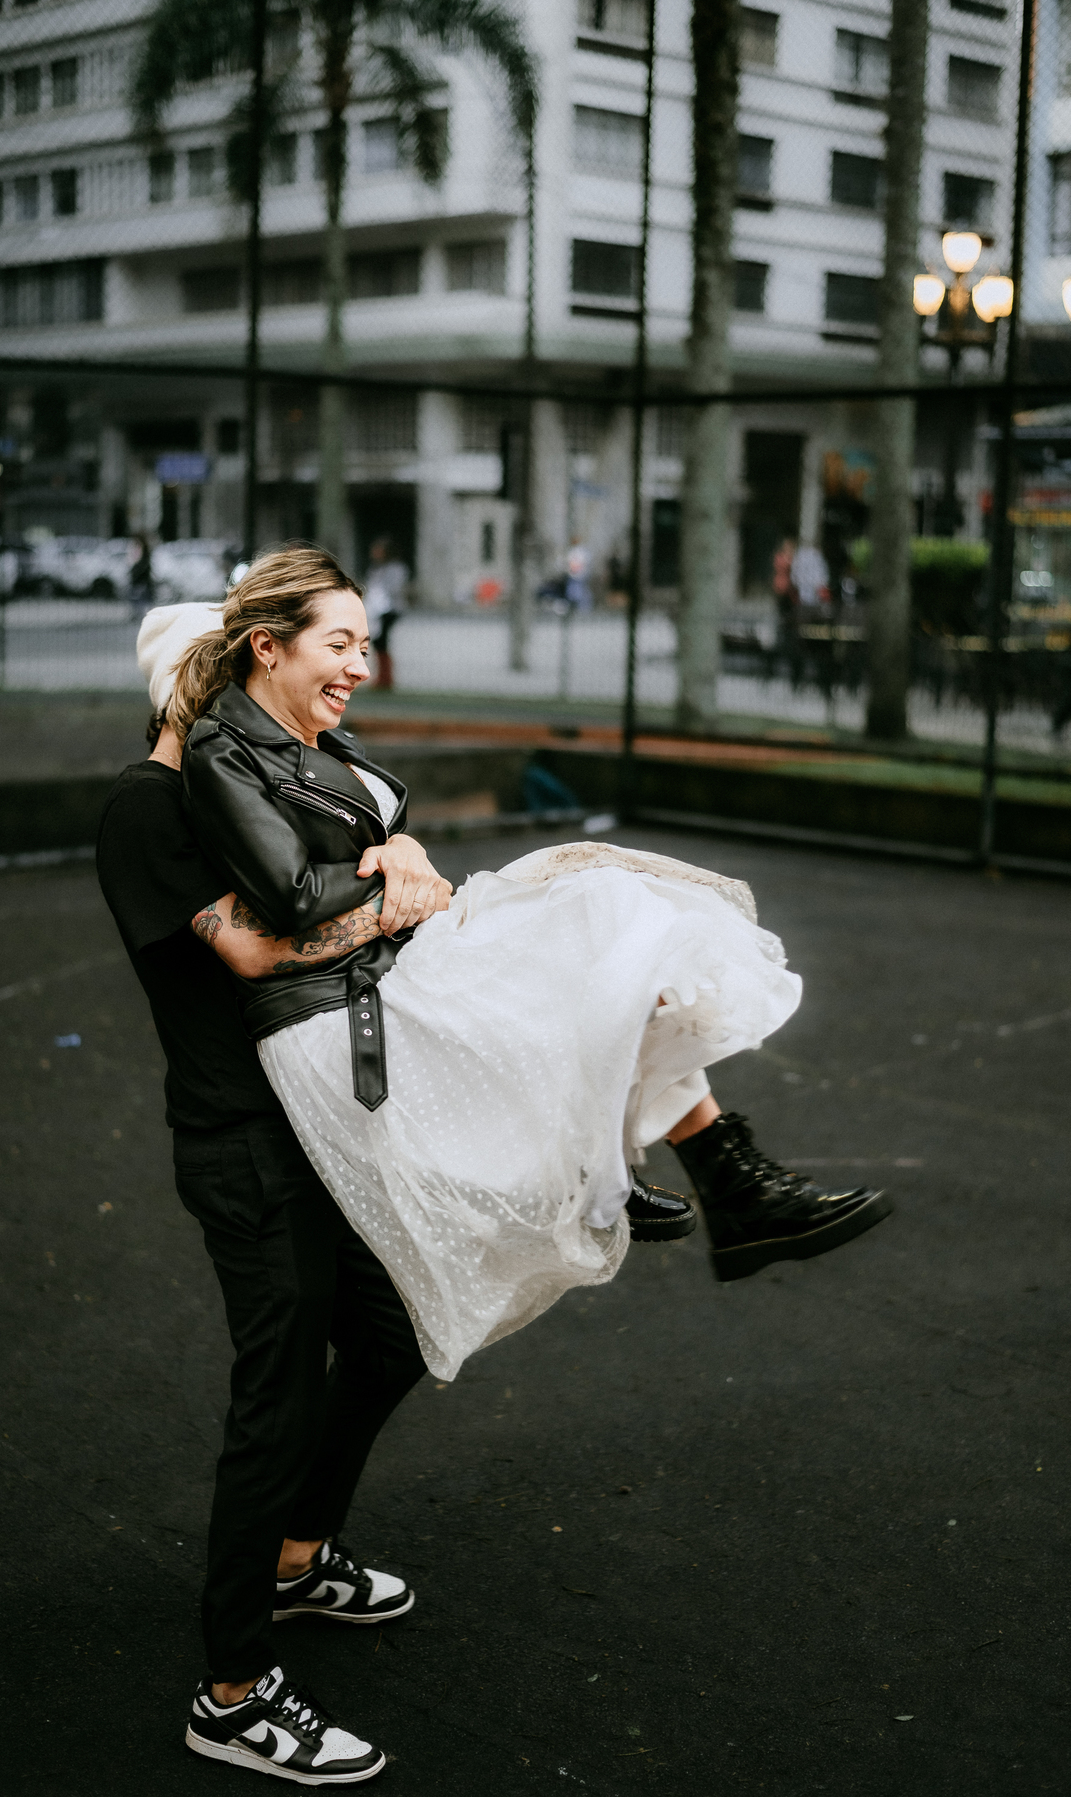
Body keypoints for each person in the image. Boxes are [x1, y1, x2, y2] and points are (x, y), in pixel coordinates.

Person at [161, 546, 891, 1383]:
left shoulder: (314, 734)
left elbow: (365, 838)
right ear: (267, 646)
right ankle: (667, 1175)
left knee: (605, 915)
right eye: (340, 645)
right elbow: (291, 891)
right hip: (339, 1003)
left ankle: (713, 1177)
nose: (360, 665)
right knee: (587, 921)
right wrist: (391, 868)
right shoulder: (226, 749)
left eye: (363, 644)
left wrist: (402, 849)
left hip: (393, 952)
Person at [96, 643, 439, 1783]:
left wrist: (393, 860)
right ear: (192, 685)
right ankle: (234, 1693)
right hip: (242, 1143)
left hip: (313, 1124)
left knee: (388, 1337)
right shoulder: (151, 809)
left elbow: (352, 857)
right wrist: (393, 897)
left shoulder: (246, 787)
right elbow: (255, 945)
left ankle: (296, 1557)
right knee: (276, 1403)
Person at [361, 537, 408, 691]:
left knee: (382, 640)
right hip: (376, 609)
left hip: (389, 609)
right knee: (378, 642)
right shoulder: (376, 569)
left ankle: (386, 677)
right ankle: (382, 676)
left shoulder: (396, 569)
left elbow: (393, 588)